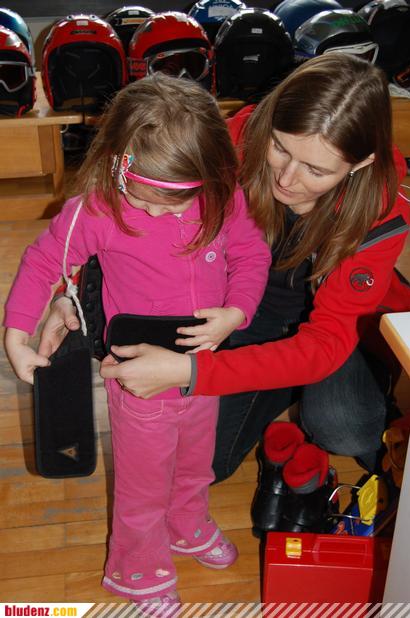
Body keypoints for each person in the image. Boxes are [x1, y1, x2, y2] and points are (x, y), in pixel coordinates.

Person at [3, 73, 271, 613]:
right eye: (145, 200)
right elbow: (42, 262)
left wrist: (237, 311)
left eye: (174, 203)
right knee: (143, 484)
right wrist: (16, 332)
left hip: (202, 368)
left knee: (196, 462)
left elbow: (250, 254)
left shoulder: (224, 198)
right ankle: (136, 568)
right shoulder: (97, 208)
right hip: (137, 379)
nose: (157, 214)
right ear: (116, 165)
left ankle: (187, 524)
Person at [95, 53, 410, 479]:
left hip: (329, 333)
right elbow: (129, 204)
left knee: (347, 430)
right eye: (280, 147)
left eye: (315, 170)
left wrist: (189, 372)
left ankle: (332, 381)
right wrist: (71, 294)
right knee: (196, 462)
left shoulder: (383, 213)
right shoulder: (234, 138)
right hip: (235, 313)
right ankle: (282, 381)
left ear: (362, 162)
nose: (287, 179)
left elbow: (325, 343)